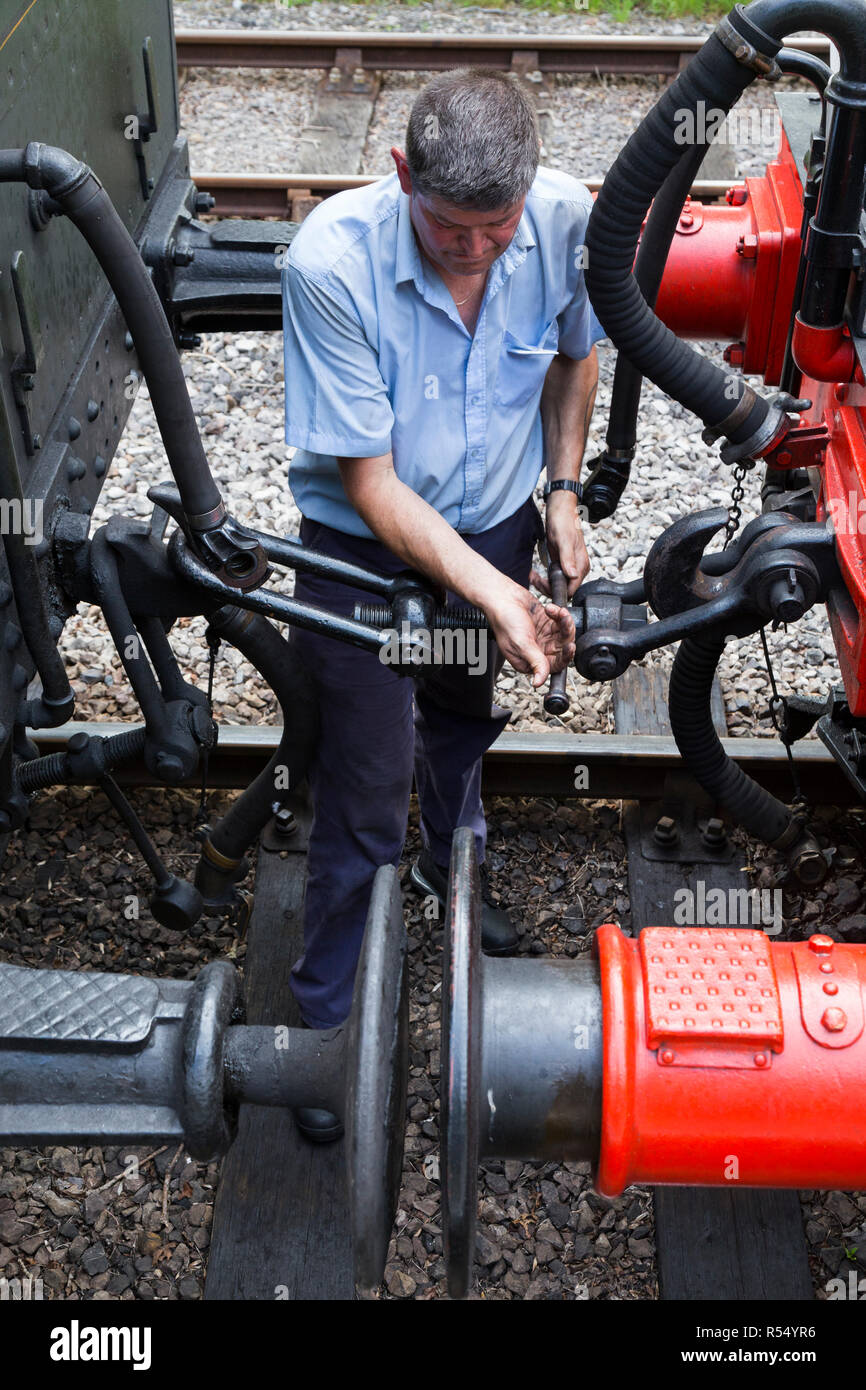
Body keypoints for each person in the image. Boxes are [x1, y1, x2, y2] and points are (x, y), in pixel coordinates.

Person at [282, 67, 604, 1140]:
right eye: (448, 228)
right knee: (361, 790)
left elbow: (574, 358)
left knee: (466, 722)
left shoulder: (563, 224)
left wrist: (558, 496)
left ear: (526, 197)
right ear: (398, 173)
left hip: (495, 526)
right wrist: (496, 596)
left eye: (493, 229)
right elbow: (370, 486)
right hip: (359, 546)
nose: (472, 250)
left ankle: (447, 860)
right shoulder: (330, 260)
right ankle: (323, 1028)